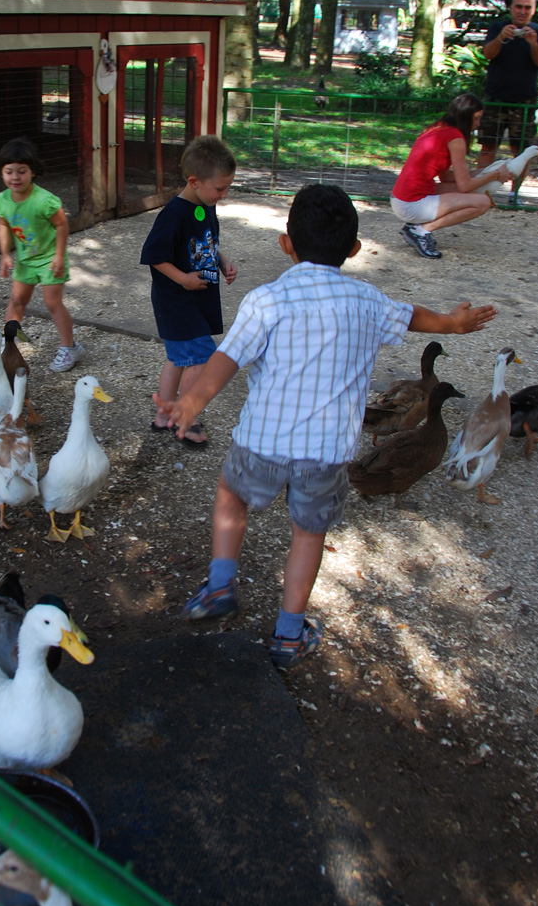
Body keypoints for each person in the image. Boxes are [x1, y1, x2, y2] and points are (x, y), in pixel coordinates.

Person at [156, 184, 496, 671]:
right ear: (355, 250)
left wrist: (190, 401)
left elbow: (226, 358)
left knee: (231, 496)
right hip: (327, 452)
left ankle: (219, 585)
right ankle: (289, 637)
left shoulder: (266, 300)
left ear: (285, 243)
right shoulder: (368, 301)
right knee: (307, 535)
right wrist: (453, 324)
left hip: (263, 441)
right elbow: (413, 317)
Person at [140, 136, 238, 448]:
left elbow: (208, 241)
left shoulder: (205, 205)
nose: (223, 194)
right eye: (220, 188)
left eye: (227, 188)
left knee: (178, 358)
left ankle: (163, 415)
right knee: (202, 357)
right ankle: (187, 416)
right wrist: (183, 279)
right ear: (194, 181)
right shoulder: (175, 213)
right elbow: (154, 256)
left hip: (196, 297)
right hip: (177, 300)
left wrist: (222, 262)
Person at [0, 138, 83, 372]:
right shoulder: (2, 200)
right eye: (9, 171)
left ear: (32, 172)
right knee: (16, 300)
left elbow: (62, 225)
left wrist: (59, 256)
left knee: (52, 302)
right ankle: (8, 344)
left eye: (21, 171)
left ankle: (69, 348)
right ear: (2, 173)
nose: (15, 177)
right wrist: (4, 253)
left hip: (49, 258)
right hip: (25, 260)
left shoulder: (45, 201)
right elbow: (3, 224)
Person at [390, 93, 511, 259]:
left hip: (402, 199)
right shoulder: (456, 139)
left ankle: (417, 228)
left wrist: (490, 173)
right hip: (411, 204)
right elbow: (465, 186)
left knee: (473, 192)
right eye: (476, 118)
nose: (478, 124)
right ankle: (421, 230)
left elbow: (448, 178)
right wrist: (495, 174)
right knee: (482, 202)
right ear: (465, 117)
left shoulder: (437, 129)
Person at [477, 0, 538, 187]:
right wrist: (501, 37)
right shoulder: (498, 27)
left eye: (527, 8)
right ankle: (479, 191)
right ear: (511, 8)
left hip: (524, 101)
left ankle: (513, 195)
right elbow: (488, 54)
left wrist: (533, 43)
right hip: (496, 97)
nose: (522, 11)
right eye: (519, 6)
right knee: (488, 146)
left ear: (533, 10)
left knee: (521, 152)